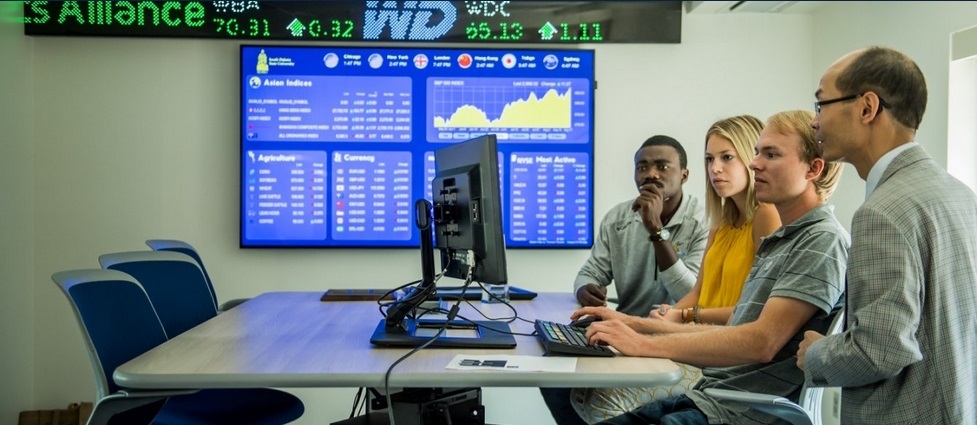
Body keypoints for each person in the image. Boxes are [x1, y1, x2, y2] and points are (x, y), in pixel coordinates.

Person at [574, 110, 848, 425]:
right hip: (714, 396)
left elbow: (761, 341)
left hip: (743, 411)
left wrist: (643, 343)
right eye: (757, 152)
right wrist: (629, 323)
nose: (755, 163)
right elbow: (733, 326)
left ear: (813, 168)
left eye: (770, 154)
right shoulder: (782, 240)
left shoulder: (821, 240)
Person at [798, 46, 977, 424]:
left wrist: (817, 354)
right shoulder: (959, 193)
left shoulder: (882, 213)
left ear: (867, 108)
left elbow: (880, 350)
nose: (815, 122)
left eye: (821, 105)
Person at [542, 135, 709, 425]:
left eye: (662, 166)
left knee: (597, 396)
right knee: (553, 378)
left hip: (681, 344)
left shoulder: (704, 221)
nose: (651, 174)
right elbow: (589, 272)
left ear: (684, 174)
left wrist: (656, 230)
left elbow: (692, 293)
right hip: (626, 335)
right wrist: (586, 289)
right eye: (642, 167)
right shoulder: (618, 218)